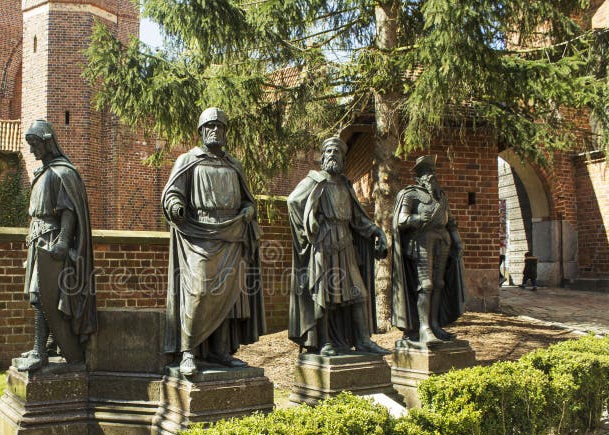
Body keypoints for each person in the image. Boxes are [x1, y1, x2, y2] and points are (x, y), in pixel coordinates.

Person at [161, 107, 266, 376]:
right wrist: (175, 206)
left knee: (227, 296)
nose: (215, 131)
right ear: (200, 131)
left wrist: (249, 210)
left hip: (231, 234)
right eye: (210, 126)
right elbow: (172, 193)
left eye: (220, 126)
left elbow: (247, 199)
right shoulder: (189, 160)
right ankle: (187, 351)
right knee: (198, 292)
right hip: (199, 235)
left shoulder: (234, 164)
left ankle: (221, 352)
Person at [287, 137, 390, 356]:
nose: (333, 155)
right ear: (323, 157)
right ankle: (324, 342)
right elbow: (293, 202)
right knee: (324, 294)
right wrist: (310, 224)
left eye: (337, 152)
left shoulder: (345, 184)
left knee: (358, 292)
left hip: (345, 243)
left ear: (343, 158)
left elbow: (358, 219)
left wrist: (376, 231)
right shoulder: (314, 181)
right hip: (323, 244)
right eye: (329, 151)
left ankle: (363, 341)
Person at [15, 119, 97, 372]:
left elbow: (68, 210)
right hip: (38, 238)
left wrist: (62, 242)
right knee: (38, 295)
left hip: (51, 240)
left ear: (48, 142)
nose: (31, 150)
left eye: (35, 144)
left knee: (43, 295)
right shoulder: (43, 173)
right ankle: (50, 344)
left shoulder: (63, 172)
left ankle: (41, 351)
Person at [392, 155, 465, 347]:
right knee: (426, 284)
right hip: (421, 242)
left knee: (439, 284)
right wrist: (417, 217)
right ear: (418, 178)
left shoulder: (442, 196)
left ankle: (434, 324)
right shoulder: (410, 195)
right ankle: (423, 328)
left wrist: (457, 241)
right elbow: (401, 220)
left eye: (432, 172)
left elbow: (451, 222)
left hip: (443, 242)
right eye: (426, 173)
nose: (430, 176)